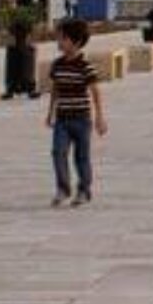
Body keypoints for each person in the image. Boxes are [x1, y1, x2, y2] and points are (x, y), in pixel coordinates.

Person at [44, 18, 107, 207]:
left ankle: (83, 190)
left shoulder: (85, 67)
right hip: (62, 120)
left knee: (82, 156)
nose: (59, 42)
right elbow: (55, 90)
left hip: (81, 120)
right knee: (58, 152)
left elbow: (95, 92)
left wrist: (99, 118)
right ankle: (63, 189)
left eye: (62, 38)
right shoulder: (57, 65)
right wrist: (50, 113)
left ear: (76, 42)